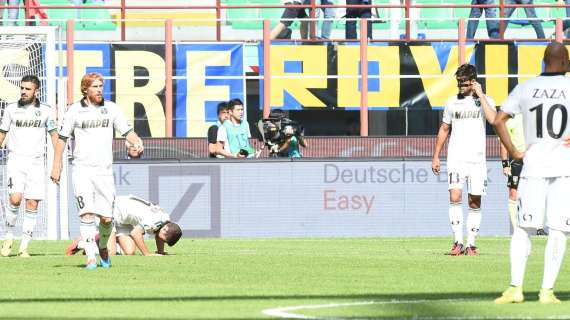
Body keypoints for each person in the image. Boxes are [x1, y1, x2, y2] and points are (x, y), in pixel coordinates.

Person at [494, 42, 570, 304]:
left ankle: (515, 288)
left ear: (544, 60)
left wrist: (514, 150)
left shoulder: (525, 87)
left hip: (533, 166)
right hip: (564, 169)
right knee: (559, 230)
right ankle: (547, 291)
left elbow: (497, 119)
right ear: (563, 62)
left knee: (523, 229)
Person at [50, 72, 144, 270]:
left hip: (104, 172)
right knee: (86, 214)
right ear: (85, 89)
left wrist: (137, 141)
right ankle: (91, 257)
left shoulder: (111, 109)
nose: (99, 90)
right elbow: (62, 139)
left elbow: (128, 132)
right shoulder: (74, 111)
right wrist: (56, 166)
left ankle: (103, 246)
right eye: (94, 86)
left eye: (101, 86)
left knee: (107, 219)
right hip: (82, 170)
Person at [431, 63, 497, 256]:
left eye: (464, 83)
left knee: (474, 201)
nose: (460, 86)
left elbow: (493, 120)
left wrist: (481, 95)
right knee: (455, 196)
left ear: (473, 82)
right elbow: (444, 129)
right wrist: (436, 156)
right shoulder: (452, 102)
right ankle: (457, 242)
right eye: (458, 82)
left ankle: (471, 244)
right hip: (456, 158)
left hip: (477, 160)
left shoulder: (486, 101)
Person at [0, 75, 58, 258]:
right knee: (15, 199)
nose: (24, 92)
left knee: (32, 203)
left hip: (36, 162)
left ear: (36, 91)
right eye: (22, 88)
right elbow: (2, 133)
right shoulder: (11, 109)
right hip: (15, 160)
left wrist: (58, 162)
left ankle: (24, 247)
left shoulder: (47, 111)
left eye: (28, 89)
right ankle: (8, 236)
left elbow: (54, 136)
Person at [66, 195, 182, 257]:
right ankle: (82, 243)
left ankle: (100, 240)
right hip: (110, 211)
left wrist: (160, 252)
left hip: (124, 219)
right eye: (162, 238)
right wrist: (147, 254)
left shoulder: (165, 220)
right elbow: (135, 233)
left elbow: (159, 235)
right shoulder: (155, 221)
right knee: (110, 252)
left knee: (130, 252)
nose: (159, 239)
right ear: (166, 228)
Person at [499, 114, 547, 235]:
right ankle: (516, 229)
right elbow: (504, 142)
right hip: (516, 162)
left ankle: (539, 227)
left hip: (534, 161)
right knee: (513, 194)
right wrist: (505, 164)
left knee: (538, 193)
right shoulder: (510, 120)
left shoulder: (536, 118)